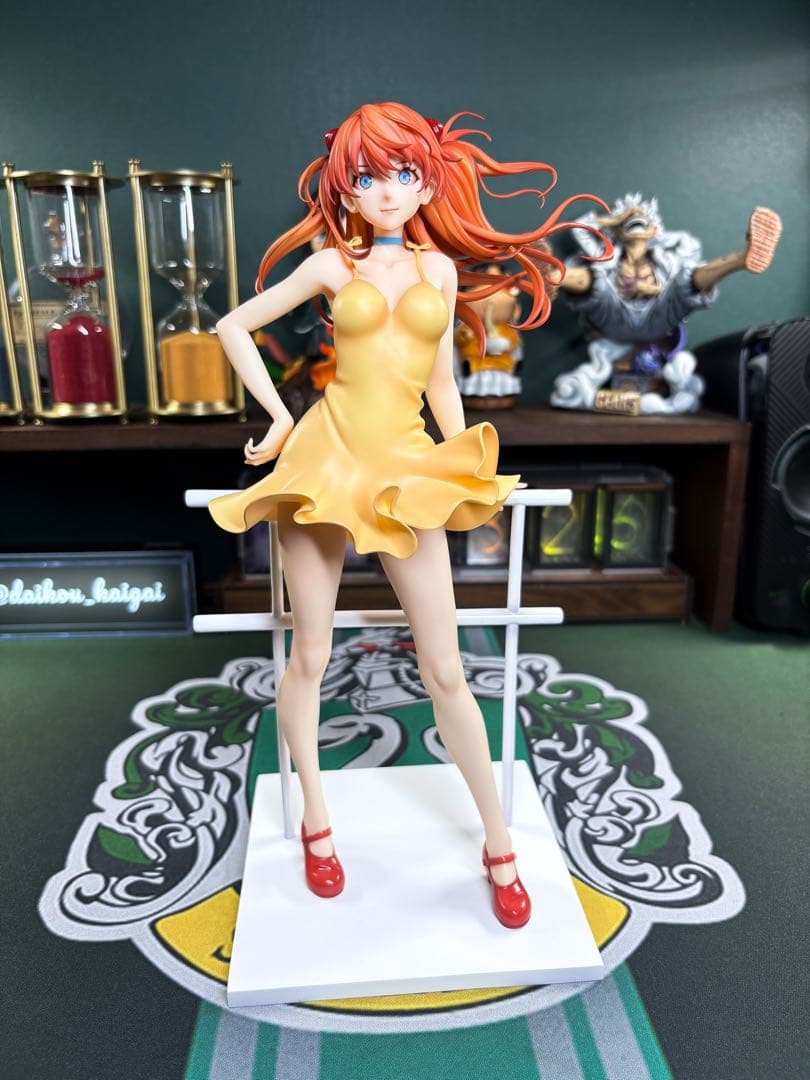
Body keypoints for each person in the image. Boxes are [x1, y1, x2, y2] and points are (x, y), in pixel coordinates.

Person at [207, 101, 611, 928]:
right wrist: (278, 417)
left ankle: (498, 842)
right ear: (344, 189)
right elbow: (233, 325)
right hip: (325, 459)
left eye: (402, 172)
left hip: (403, 461)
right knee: (310, 654)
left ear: (427, 181)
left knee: (447, 668)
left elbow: (440, 383)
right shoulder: (331, 263)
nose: (386, 191)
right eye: (366, 176)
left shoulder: (440, 272)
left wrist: (464, 467)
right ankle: (317, 821)